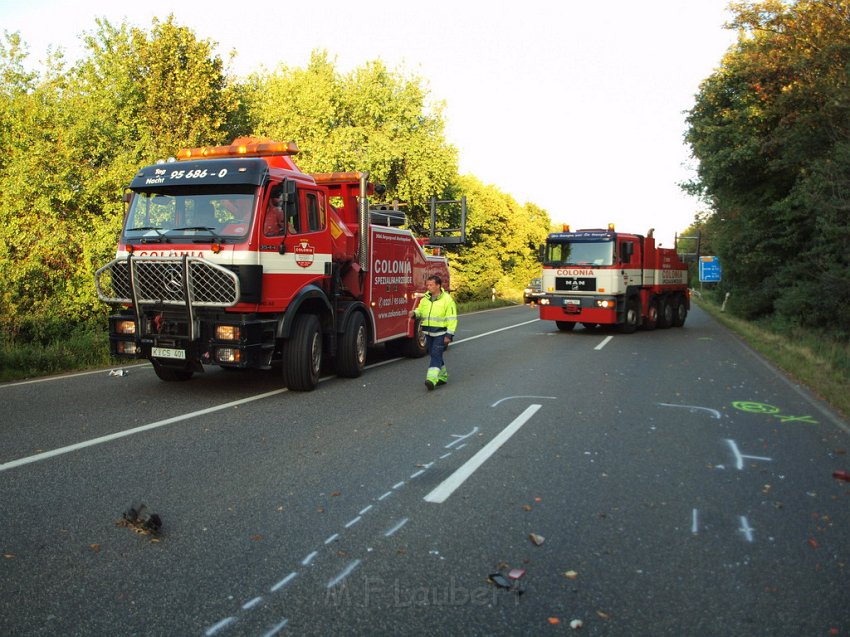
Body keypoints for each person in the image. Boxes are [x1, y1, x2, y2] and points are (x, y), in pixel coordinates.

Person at [408, 274, 457, 390]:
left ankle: (431, 379)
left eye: (431, 285)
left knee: (435, 354)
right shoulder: (425, 299)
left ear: (438, 286)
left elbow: (452, 319)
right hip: (428, 333)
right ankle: (443, 376)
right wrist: (415, 313)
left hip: (441, 333)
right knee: (435, 354)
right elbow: (421, 311)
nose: (428, 287)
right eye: (427, 285)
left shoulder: (447, 300)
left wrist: (449, 335)